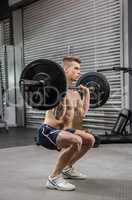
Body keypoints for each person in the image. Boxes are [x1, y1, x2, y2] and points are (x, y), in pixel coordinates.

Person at [37, 55, 95, 191]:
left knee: (90, 140)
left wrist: (87, 94)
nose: (79, 72)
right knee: (76, 141)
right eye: (76, 68)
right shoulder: (53, 89)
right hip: (49, 131)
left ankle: (67, 168)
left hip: (66, 131)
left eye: (79, 69)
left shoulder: (75, 93)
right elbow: (48, 106)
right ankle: (54, 178)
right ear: (66, 70)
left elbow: (82, 114)